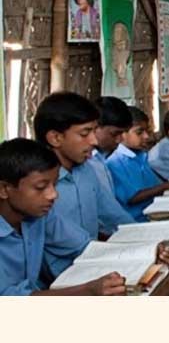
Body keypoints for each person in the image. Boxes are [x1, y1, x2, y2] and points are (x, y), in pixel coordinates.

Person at [0, 138, 124, 296]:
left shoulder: (38, 216)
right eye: (40, 187)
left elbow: (83, 245)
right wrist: (87, 290)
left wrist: (147, 251)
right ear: (4, 189)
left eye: (54, 184)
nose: (53, 195)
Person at [34, 92, 135, 276]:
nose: (94, 141)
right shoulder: (36, 186)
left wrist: (146, 240)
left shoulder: (87, 170)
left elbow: (113, 214)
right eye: (84, 133)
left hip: (94, 263)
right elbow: (65, 239)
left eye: (94, 131)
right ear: (55, 138)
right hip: (58, 280)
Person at [107, 107, 169, 221]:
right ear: (122, 134)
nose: (146, 136)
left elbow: (153, 185)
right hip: (138, 219)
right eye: (139, 132)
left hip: (156, 211)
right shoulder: (115, 163)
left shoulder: (141, 156)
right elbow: (132, 197)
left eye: (147, 131)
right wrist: (165, 186)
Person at [85, 96, 133, 208]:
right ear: (95, 127)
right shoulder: (89, 163)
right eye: (114, 134)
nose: (119, 140)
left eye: (122, 134)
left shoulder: (101, 158)